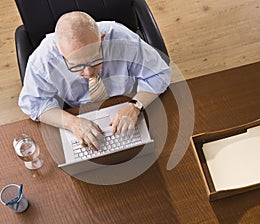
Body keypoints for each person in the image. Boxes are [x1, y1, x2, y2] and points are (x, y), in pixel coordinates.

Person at [19, 11, 171, 150]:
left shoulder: (121, 37)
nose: (89, 72)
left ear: (102, 40)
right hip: (79, 112)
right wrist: (73, 123)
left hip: (126, 103)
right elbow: (34, 104)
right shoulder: (43, 59)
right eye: (77, 66)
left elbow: (159, 74)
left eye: (95, 61)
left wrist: (135, 106)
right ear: (59, 51)